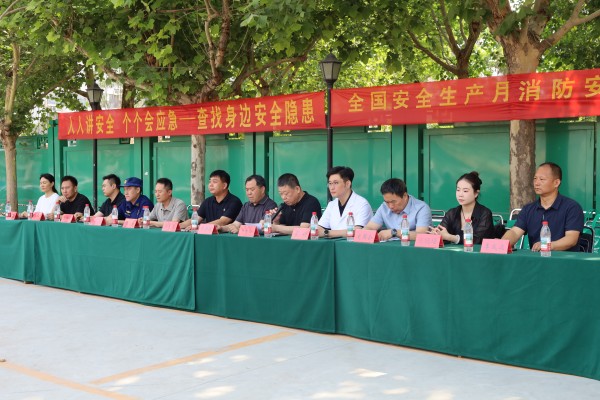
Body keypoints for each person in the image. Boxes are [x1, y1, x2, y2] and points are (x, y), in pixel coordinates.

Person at [502, 162, 583, 252]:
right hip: (537, 258)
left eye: (542, 179)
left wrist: (548, 245)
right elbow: (515, 232)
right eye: (535, 179)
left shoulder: (572, 207)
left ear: (556, 183)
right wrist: (502, 243)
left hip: (564, 259)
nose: (536, 183)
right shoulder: (528, 209)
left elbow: (571, 239)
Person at [429, 171, 495, 244]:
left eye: (465, 191)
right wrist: (437, 233)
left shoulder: (485, 213)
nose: (460, 194)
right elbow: (443, 233)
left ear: (476, 193)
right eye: (458, 190)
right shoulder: (452, 213)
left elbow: (478, 240)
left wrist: (451, 238)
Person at [364, 178, 432, 241]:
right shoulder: (384, 207)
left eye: (393, 202)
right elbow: (369, 227)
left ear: (404, 196)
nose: (390, 206)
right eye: (387, 202)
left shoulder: (421, 208)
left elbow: (421, 236)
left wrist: (394, 232)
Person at [318, 166, 373, 238]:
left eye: (336, 183)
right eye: (330, 183)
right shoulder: (331, 205)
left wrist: (327, 232)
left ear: (347, 184)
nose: (332, 187)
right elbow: (319, 229)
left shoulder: (362, 204)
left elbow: (357, 231)